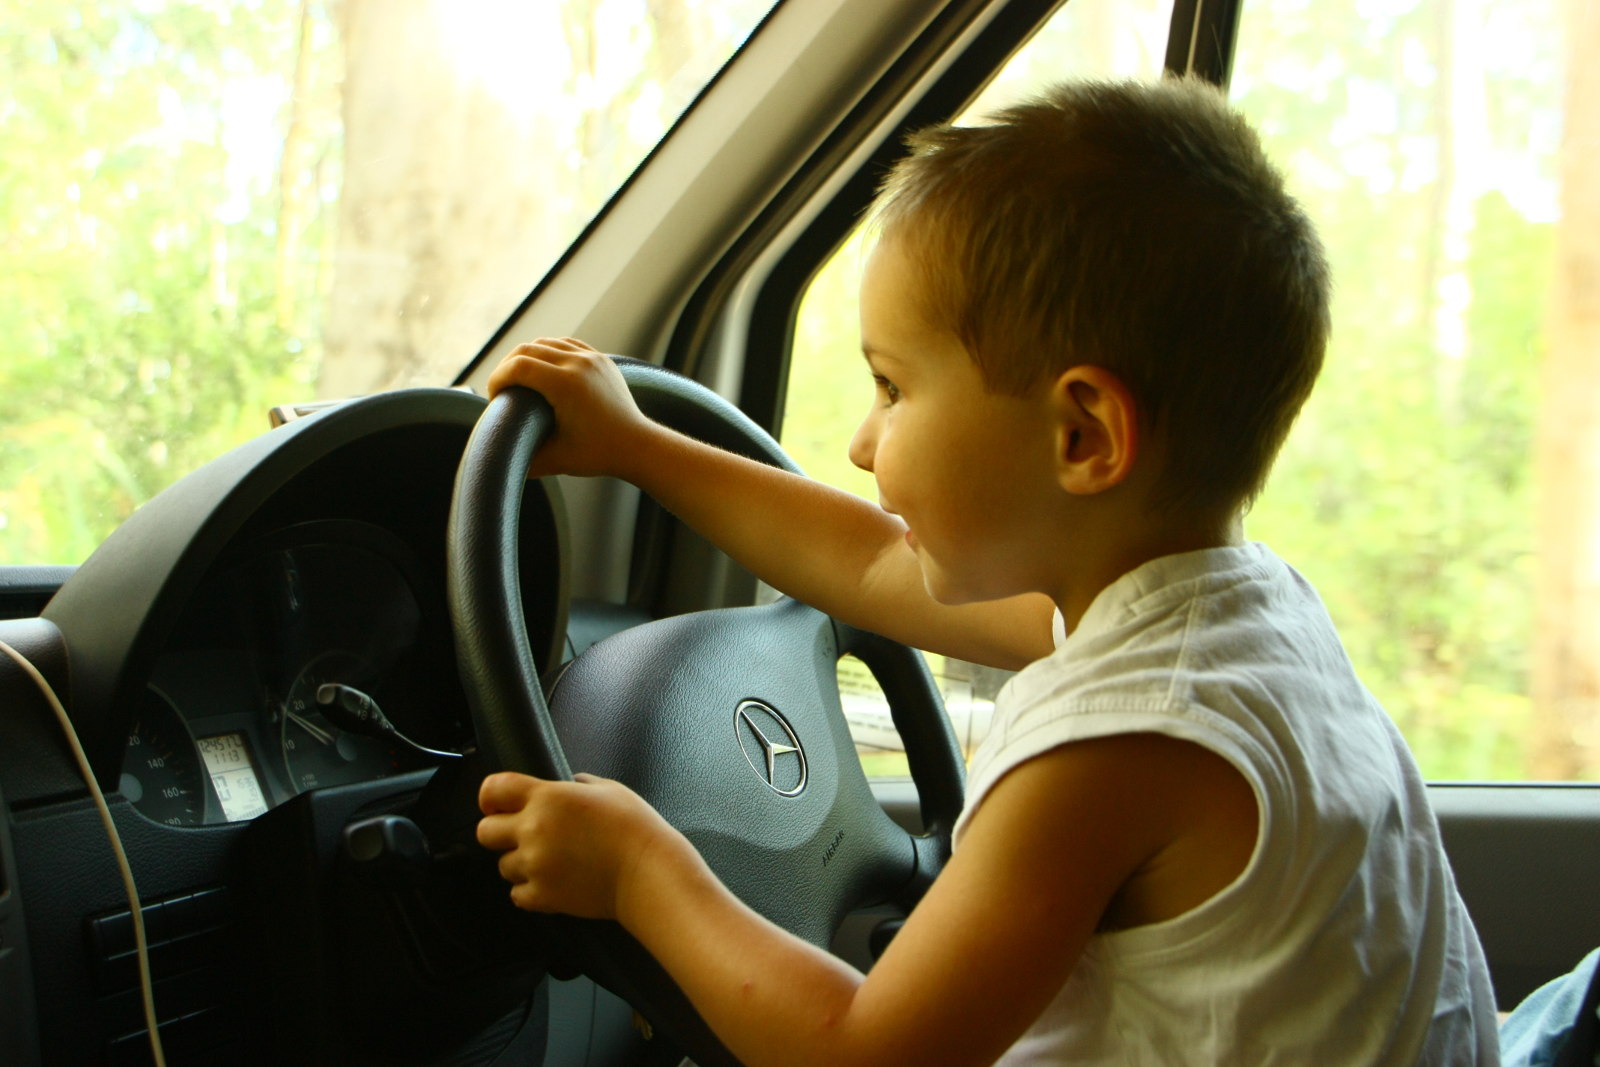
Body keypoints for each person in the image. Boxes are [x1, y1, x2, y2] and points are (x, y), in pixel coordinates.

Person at [475, 78, 1500, 1065]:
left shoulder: (1115, 746)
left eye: (892, 387)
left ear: (1082, 434)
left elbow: (864, 1050)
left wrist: (641, 871)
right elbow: (874, 564)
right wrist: (640, 447)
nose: (861, 443)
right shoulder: (1233, 612)